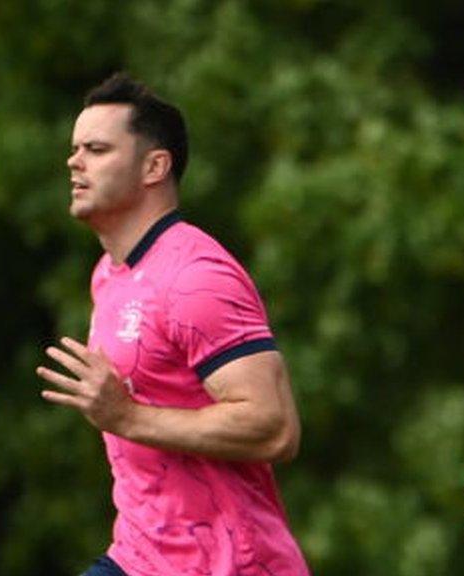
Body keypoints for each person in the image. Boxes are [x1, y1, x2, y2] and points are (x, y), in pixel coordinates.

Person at [35, 73, 310, 576]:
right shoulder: (109, 275)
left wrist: (128, 417)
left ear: (154, 166)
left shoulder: (195, 276)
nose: (74, 162)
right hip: (138, 557)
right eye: (75, 149)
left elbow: (274, 429)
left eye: (96, 149)